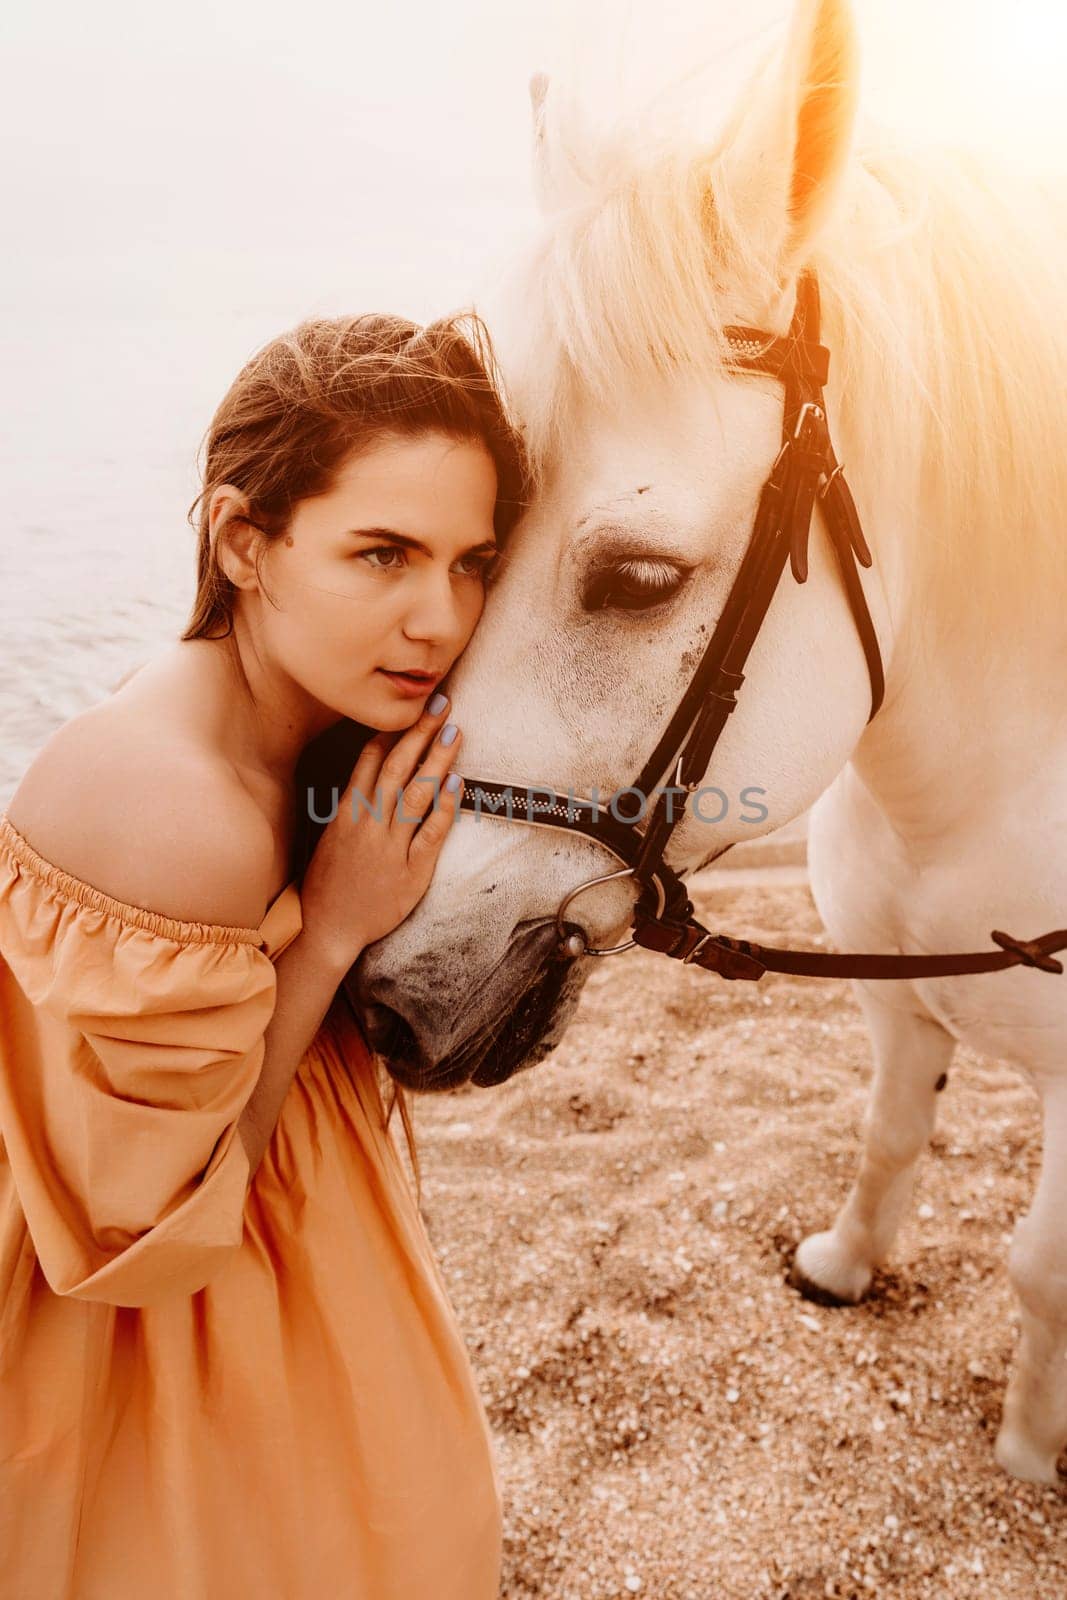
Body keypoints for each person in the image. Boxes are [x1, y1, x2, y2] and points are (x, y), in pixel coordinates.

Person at [0, 311, 528, 1598]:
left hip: (270, 1212)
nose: (439, 617)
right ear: (245, 539)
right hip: (138, 1315)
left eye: (471, 562)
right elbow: (141, 1226)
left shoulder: (290, 730)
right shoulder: (178, 807)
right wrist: (336, 923)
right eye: (382, 554)